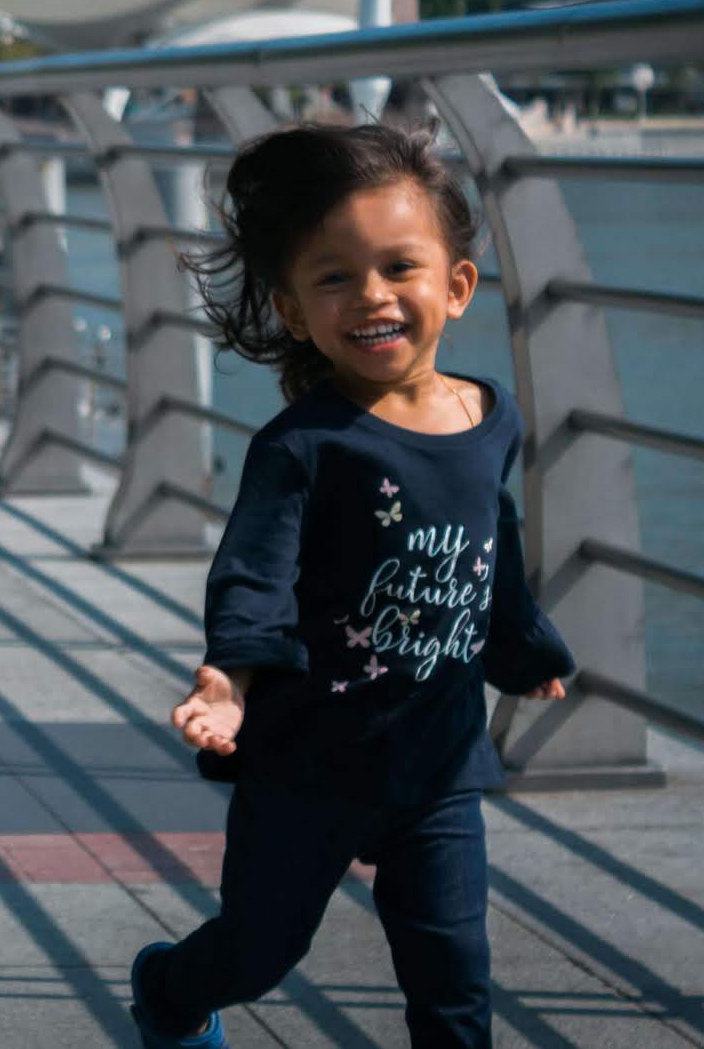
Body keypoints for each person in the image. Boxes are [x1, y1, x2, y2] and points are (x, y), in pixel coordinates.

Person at [127, 122, 575, 1049]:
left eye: (399, 267)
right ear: (295, 310)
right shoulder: (303, 445)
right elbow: (254, 573)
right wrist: (229, 680)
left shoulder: (488, 416)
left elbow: (491, 545)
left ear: (455, 286)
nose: (372, 295)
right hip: (308, 763)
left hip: (438, 761)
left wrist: (522, 650)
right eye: (334, 277)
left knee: (453, 971)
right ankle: (171, 986)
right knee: (258, 952)